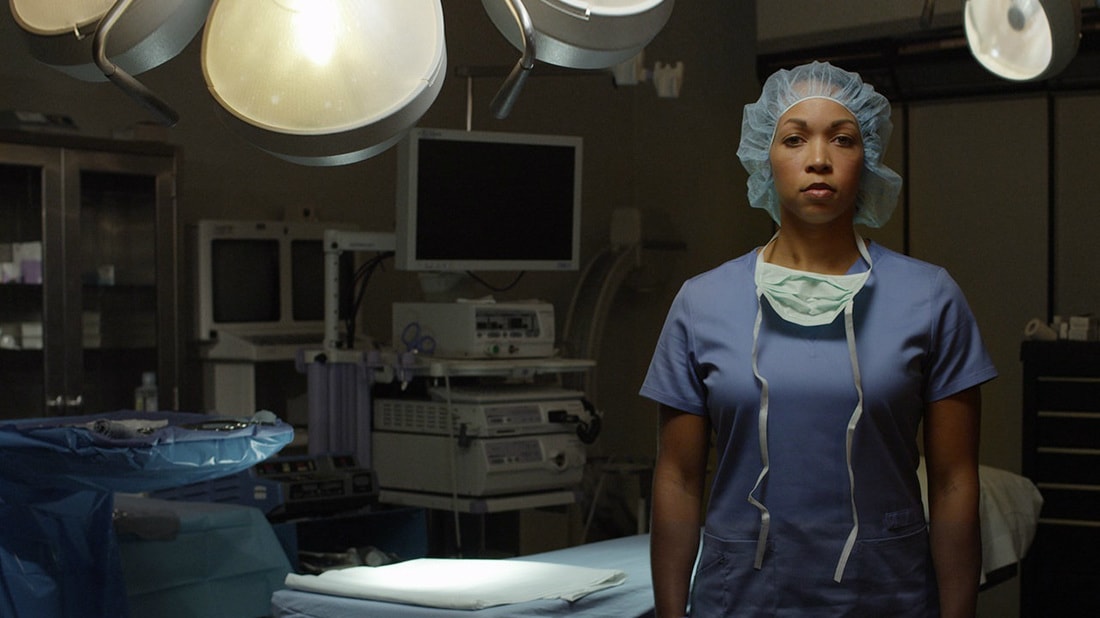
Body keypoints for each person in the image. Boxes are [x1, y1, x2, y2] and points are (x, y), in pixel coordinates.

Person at [639, 61, 997, 617]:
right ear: (766, 156)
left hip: (885, 594)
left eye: (843, 139)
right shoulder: (701, 303)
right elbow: (679, 478)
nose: (819, 159)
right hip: (742, 598)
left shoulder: (929, 298)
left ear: (869, 158)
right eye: (794, 138)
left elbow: (954, 483)